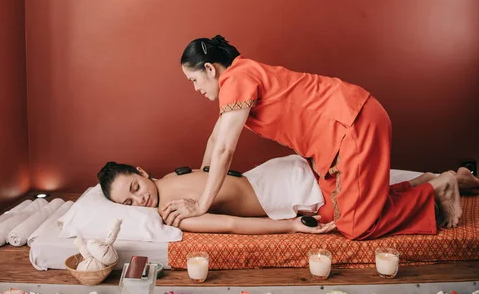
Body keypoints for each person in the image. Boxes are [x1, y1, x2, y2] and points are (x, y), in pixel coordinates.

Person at [163, 34, 465, 240]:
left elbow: (225, 150)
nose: (195, 88)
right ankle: (424, 182)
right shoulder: (239, 78)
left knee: (355, 226)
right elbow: (216, 141)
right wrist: (203, 182)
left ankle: (438, 189)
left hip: (351, 124)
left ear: (209, 69)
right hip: (335, 141)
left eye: (194, 80)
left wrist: (202, 204)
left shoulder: (236, 78)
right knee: (328, 212)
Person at [96, 156, 479, 236]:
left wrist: (292, 227)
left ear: (142, 172)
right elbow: (228, 215)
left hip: (282, 189)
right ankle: (439, 179)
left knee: (359, 218)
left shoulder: (171, 207)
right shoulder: (171, 181)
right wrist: (293, 226)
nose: (139, 201)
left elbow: (230, 224)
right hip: (275, 173)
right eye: (128, 204)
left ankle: (433, 187)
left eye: (134, 188)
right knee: (361, 189)